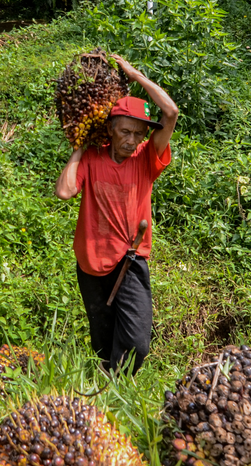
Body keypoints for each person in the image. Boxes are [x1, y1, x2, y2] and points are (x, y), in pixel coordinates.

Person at [54, 56, 178, 375]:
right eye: (125, 131)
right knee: (102, 342)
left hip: (130, 260)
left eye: (138, 133)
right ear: (110, 128)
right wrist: (81, 145)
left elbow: (171, 112)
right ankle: (112, 392)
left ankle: (118, 381)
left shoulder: (146, 159)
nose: (132, 140)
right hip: (92, 263)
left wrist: (137, 76)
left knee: (137, 342)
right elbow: (65, 191)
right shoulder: (93, 158)